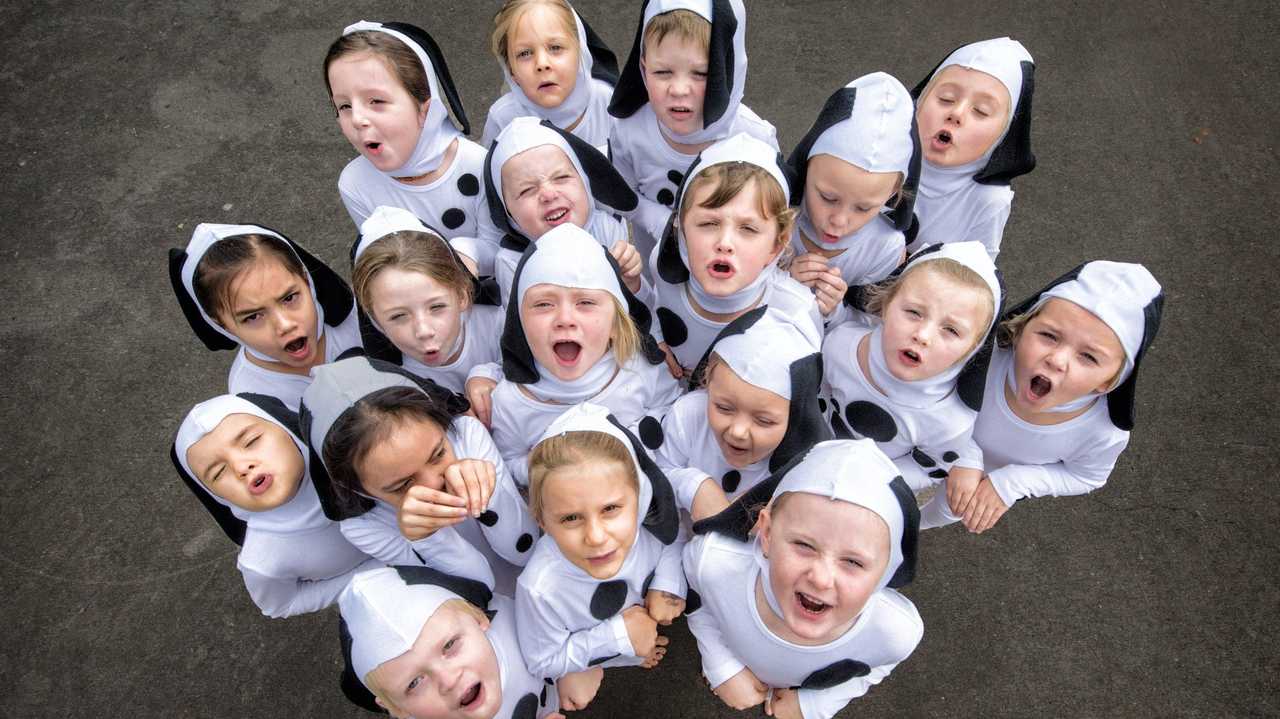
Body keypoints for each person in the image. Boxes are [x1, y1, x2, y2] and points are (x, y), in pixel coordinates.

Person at [918, 261, 1164, 533]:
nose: (1057, 360)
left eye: (1089, 357)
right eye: (1049, 335)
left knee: (947, 508)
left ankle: (905, 532)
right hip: (923, 439)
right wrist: (964, 454)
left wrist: (1014, 482)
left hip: (978, 485)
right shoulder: (985, 356)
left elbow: (1086, 476)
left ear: (1110, 381)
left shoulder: (1102, 433)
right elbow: (931, 389)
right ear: (1021, 328)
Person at [685, 439, 923, 718]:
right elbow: (698, 598)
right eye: (804, 545)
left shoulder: (895, 632)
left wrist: (815, 704)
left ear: (888, 570)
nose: (821, 579)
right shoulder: (713, 562)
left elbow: (876, 666)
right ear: (767, 533)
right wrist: (722, 665)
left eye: (853, 561)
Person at [301, 356, 538, 593]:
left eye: (438, 454)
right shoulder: (364, 527)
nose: (434, 482)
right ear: (357, 489)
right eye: (402, 485)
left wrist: (490, 494)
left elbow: (526, 550)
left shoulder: (468, 436)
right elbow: (477, 589)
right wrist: (426, 538)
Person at [474, 224, 680, 484]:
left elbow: (671, 410)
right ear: (519, 322)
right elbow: (508, 459)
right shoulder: (510, 402)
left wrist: (636, 440)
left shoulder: (638, 366)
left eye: (585, 303)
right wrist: (542, 466)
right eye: (544, 304)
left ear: (616, 325)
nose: (565, 319)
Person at [514, 404, 685, 697]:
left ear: (641, 498)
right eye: (570, 518)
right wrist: (618, 638)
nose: (595, 537)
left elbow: (674, 538)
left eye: (610, 509)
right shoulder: (539, 589)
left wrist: (667, 585)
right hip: (604, 648)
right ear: (542, 520)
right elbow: (542, 661)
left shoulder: (646, 528)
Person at [607, 0, 778, 272]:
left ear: (729, 70)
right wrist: (656, 218)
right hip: (656, 280)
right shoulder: (629, 129)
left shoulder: (754, 138)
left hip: (733, 288)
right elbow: (619, 195)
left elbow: (771, 219)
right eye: (662, 72)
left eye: (701, 73)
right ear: (642, 68)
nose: (679, 89)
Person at [172, 393, 372, 618]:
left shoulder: (362, 459)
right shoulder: (262, 560)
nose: (241, 466)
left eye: (251, 441)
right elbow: (280, 605)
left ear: (286, 429)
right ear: (216, 497)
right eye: (218, 472)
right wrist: (368, 577)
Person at [324, 20, 496, 274]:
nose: (358, 119)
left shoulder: (478, 165)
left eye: (376, 101)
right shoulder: (355, 183)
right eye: (344, 106)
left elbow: (502, 250)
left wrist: (465, 252)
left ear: (426, 110)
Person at [821, 242, 1001, 482]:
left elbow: (930, 469)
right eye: (914, 313)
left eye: (951, 330)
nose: (923, 336)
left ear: (974, 348)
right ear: (885, 304)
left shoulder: (949, 421)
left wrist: (873, 480)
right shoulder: (840, 344)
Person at [647, 133, 820, 376]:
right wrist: (654, 335)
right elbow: (653, 307)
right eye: (708, 223)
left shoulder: (794, 311)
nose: (725, 243)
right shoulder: (661, 268)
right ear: (680, 226)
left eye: (748, 228)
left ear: (776, 244)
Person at [649, 306, 830, 520]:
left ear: (796, 416)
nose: (738, 431)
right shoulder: (688, 415)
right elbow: (654, 472)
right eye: (724, 408)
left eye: (763, 421)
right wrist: (691, 486)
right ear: (708, 383)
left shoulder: (807, 464)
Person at [168, 222, 360, 410]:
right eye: (252, 317)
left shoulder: (363, 319)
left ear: (306, 279)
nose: (285, 325)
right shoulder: (251, 395)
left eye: (289, 298)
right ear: (219, 324)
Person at [339, 565, 572, 718]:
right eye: (414, 683)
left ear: (478, 617)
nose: (448, 680)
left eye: (449, 645)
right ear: (396, 708)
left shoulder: (518, 621)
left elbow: (568, 619)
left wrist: (577, 669)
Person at [787, 72, 920, 323]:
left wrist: (834, 310)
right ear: (806, 166)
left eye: (863, 208)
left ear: (892, 194)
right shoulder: (776, 212)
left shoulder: (884, 248)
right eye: (827, 197)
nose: (838, 221)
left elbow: (871, 327)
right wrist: (784, 282)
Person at [351, 205, 504, 394]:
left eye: (436, 307)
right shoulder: (394, 384)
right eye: (398, 316)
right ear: (374, 320)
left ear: (463, 294)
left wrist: (491, 373)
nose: (423, 331)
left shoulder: (503, 323)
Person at [909, 37, 1037, 259]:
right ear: (919, 102)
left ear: (1003, 134)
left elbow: (973, 275)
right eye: (946, 98)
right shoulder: (883, 150)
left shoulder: (987, 199)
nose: (956, 113)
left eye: (981, 111)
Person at [482, 0, 620, 149]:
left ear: (581, 52)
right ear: (510, 70)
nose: (542, 64)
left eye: (555, 47)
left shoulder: (608, 103)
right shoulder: (502, 119)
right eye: (525, 53)